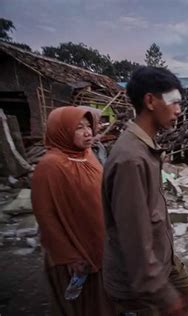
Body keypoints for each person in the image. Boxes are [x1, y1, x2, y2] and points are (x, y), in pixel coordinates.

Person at [102, 67, 188, 316]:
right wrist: (161, 292)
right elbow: (133, 236)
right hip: (139, 283)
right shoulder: (131, 159)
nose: (179, 110)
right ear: (150, 101)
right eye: (174, 101)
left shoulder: (145, 148)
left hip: (162, 260)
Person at [31, 106, 115, 315]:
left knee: (101, 299)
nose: (88, 133)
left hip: (98, 243)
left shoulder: (87, 155)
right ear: (62, 130)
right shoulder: (50, 166)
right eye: (79, 128)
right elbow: (47, 218)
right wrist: (69, 256)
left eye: (89, 126)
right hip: (75, 252)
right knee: (82, 305)